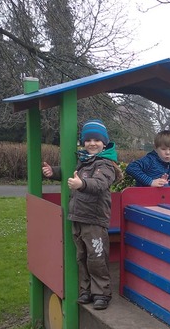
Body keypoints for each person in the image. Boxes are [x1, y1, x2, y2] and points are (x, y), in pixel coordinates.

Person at [42, 118, 122, 310]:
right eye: (88, 140)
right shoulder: (84, 160)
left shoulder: (105, 164)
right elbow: (73, 173)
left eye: (97, 140)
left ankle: (101, 293)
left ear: (104, 143)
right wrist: (54, 172)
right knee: (82, 256)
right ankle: (86, 290)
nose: (92, 143)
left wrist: (82, 184)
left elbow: (100, 183)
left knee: (97, 257)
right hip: (78, 217)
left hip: (94, 219)